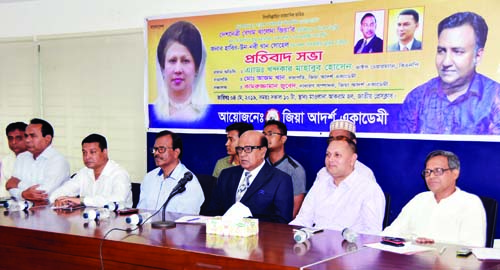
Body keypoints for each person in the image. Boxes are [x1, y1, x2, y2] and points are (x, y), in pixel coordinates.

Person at [399, 12, 500, 134]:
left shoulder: (495, 98)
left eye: (457, 51)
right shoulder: (416, 98)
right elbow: (403, 151)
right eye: (441, 51)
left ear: (478, 56)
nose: (446, 62)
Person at [382, 150, 486, 247]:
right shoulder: (420, 199)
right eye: (428, 172)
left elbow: (472, 248)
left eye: (438, 171)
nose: (431, 176)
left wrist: (435, 247)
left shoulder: (470, 203)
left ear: (455, 173)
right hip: (412, 262)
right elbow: (391, 233)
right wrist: (412, 241)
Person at [290, 136, 385, 234]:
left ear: (352, 159)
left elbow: (372, 234)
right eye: (328, 155)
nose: (330, 159)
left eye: (337, 155)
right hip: (316, 246)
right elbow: (302, 220)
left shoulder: (369, 189)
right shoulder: (320, 184)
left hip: (350, 247)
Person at [206, 130, 294, 224]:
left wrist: (247, 223)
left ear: (263, 151)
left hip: (260, 236)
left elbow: (281, 221)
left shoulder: (280, 180)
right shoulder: (226, 175)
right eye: (240, 149)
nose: (242, 154)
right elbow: (212, 212)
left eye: (248, 149)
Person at [49, 134, 132, 208]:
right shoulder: (84, 173)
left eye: (93, 152)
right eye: (84, 152)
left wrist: (82, 201)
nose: (87, 157)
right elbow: (59, 193)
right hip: (88, 220)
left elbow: (118, 199)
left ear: (105, 152)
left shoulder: (119, 174)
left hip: (117, 221)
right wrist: (61, 200)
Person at [153, 21, 209, 121]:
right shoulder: (155, 110)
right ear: (162, 67)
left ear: (197, 68)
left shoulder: (205, 111)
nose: (178, 70)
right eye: (172, 61)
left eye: (185, 61)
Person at [137, 130, 204, 214]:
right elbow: (141, 212)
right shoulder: (149, 178)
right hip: (148, 226)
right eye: (155, 149)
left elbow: (186, 222)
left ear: (176, 153)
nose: (156, 154)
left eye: (161, 149)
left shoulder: (189, 183)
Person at [6, 118, 70, 202]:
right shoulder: (22, 157)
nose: (27, 140)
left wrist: (18, 184)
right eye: (26, 136)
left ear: (47, 139)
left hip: (51, 210)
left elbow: (43, 193)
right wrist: (23, 194)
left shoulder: (58, 161)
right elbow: (11, 188)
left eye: (33, 136)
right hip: (23, 208)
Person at [263, 120, 306, 218]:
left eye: (270, 134)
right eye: (264, 134)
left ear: (283, 139)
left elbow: (295, 208)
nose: (266, 138)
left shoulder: (295, 169)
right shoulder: (261, 164)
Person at [0, 122, 27, 198]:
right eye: (10, 138)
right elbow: (3, 188)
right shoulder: (5, 161)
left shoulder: (36, 159)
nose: (14, 142)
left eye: (18, 138)